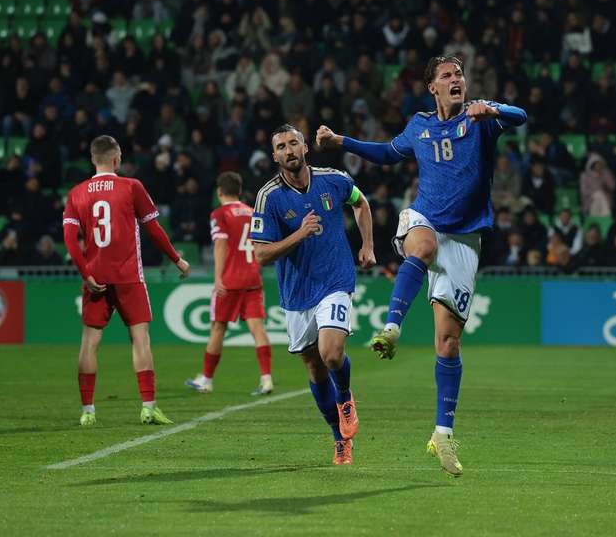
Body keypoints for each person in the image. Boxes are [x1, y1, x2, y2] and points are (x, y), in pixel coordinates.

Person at [316, 55, 527, 476]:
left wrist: (496, 108)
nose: (457, 80)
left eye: (460, 75)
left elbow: (521, 116)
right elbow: (388, 153)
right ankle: (392, 327)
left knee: (448, 343)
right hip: (426, 217)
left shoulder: (480, 117)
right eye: (448, 75)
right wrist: (342, 142)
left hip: (466, 236)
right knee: (422, 248)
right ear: (432, 86)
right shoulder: (419, 125)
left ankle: (442, 435)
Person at [250, 124, 375, 465]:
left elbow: (360, 201)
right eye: (281, 146)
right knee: (315, 368)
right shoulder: (269, 197)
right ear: (275, 155)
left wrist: (367, 245)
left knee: (332, 353)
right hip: (297, 292)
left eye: (293, 143)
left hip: (335, 280)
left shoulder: (333, 179)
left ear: (305, 147)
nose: (289, 150)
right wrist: (300, 234)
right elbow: (260, 254)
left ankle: (346, 398)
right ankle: (338, 438)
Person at [62, 135, 191, 427]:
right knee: (140, 339)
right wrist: (177, 260)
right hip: (129, 276)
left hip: (95, 277)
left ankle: (87, 411)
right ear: (117, 159)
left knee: (89, 343)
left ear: (93, 160)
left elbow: (70, 240)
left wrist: (86, 274)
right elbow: (154, 229)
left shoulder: (77, 193)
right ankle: (148, 407)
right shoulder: (131, 186)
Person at [185, 172, 274, 396]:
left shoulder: (219, 214)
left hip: (230, 279)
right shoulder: (253, 212)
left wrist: (218, 278)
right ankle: (266, 379)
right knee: (257, 328)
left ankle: (206, 379)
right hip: (253, 277)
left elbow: (220, 245)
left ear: (219, 192)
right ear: (240, 191)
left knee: (217, 328)